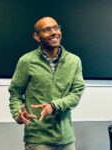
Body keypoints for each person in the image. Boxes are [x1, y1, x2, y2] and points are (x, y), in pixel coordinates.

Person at [8, 16, 85, 150]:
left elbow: (76, 94)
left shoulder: (74, 61)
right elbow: (15, 93)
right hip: (38, 139)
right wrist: (18, 114)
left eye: (56, 28)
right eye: (47, 30)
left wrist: (54, 106)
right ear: (37, 36)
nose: (54, 32)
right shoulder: (26, 61)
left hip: (66, 139)